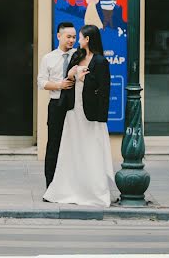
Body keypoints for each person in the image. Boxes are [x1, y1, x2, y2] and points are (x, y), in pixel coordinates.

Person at [43, 24, 114, 207]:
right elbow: (67, 77)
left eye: (79, 37)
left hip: (89, 113)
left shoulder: (99, 61)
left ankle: (92, 190)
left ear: (87, 39)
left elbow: (103, 89)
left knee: (90, 150)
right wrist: (72, 74)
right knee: (70, 149)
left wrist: (83, 78)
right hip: (72, 110)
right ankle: (64, 187)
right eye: (71, 36)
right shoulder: (77, 55)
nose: (75, 40)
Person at [37, 22, 77, 188]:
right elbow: (41, 82)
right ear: (59, 36)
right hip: (56, 104)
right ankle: (51, 184)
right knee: (54, 143)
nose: (72, 40)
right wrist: (59, 85)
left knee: (74, 143)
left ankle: (71, 183)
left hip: (76, 105)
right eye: (68, 37)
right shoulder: (49, 58)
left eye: (74, 37)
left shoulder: (79, 56)